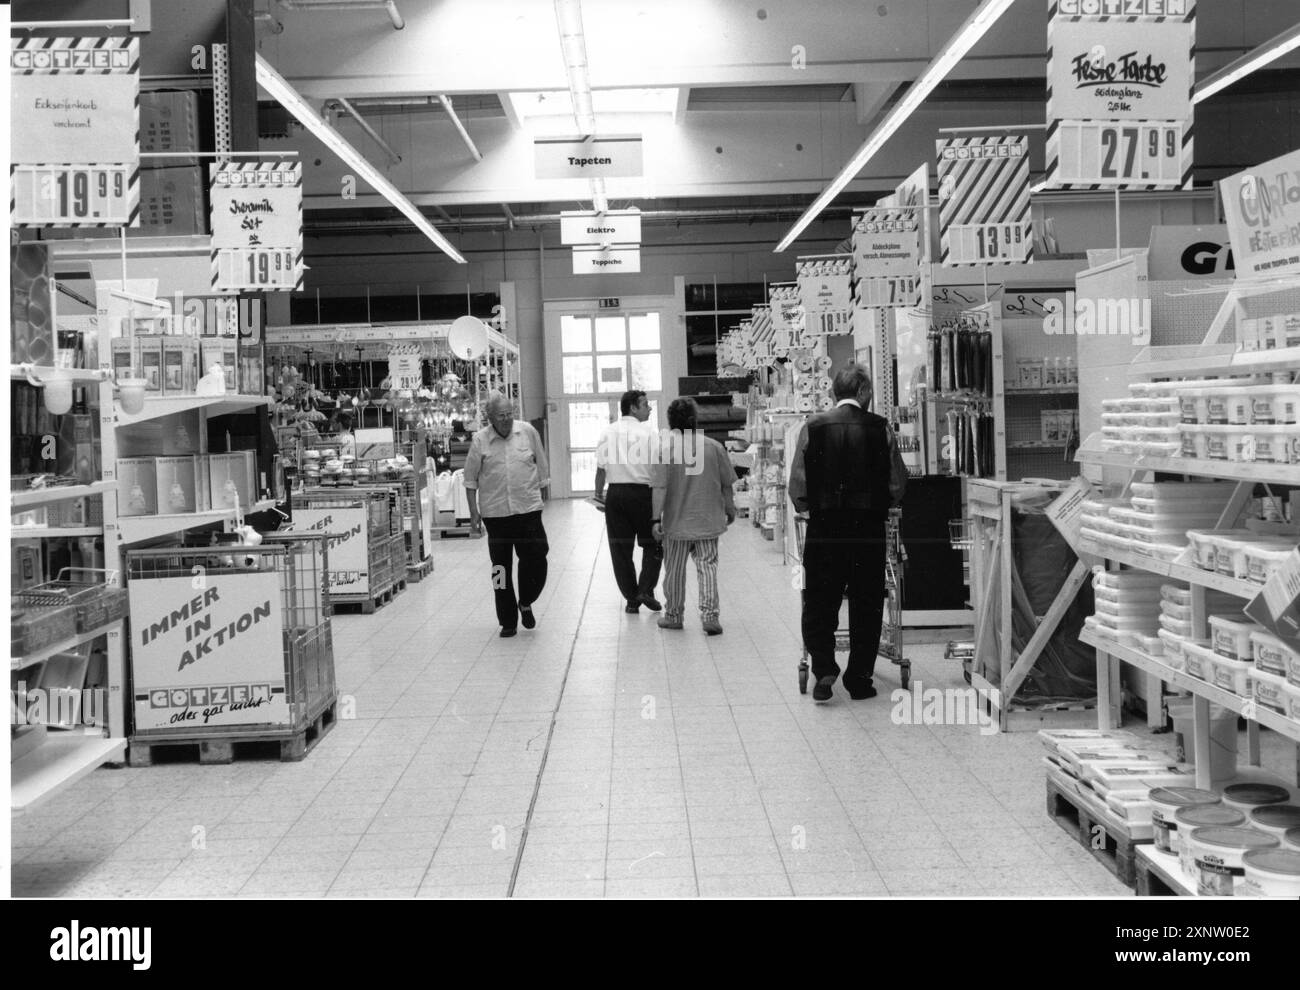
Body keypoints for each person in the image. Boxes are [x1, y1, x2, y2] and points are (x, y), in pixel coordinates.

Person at [788, 364, 907, 703]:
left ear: (834, 393)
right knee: (866, 603)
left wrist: (809, 507)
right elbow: (896, 483)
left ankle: (824, 667)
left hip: (824, 529)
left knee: (820, 602)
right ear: (864, 392)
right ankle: (859, 679)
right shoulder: (880, 428)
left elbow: (798, 483)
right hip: (867, 530)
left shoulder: (812, 427)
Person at [463, 393, 550, 638]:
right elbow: (470, 480)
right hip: (496, 515)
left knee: (537, 558)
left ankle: (526, 600)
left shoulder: (528, 432)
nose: (506, 419)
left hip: (528, 511)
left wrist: (542, 499)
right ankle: (507, 620)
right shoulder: (480, 440)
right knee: (500, 569)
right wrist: (473, 513)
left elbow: (542, 468)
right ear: (490, 418)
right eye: (501, 416)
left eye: (510, 414)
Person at [651, 397, 737, 635]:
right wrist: (729, 508)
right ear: (695, 419)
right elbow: (726, 484)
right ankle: (710, 617)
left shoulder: (665, 449)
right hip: (707, 519)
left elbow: (659, 488)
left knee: (675, 570)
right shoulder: (713, 446)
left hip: (676, 522)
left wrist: (656, 519)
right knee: (707, 566)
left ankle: (674, 615)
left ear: (671, 422)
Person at [593, 389, 663, 613]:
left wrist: (598, 495)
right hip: (643, 494)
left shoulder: (608, 432)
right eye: (645, 404)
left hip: (616, 495)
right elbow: (657, 469)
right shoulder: (649, 433)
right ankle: (645, 589)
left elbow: (601, 469)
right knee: (652, 544)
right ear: (633, 407)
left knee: (620, 550)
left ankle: (632, 599)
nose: (649, 408)